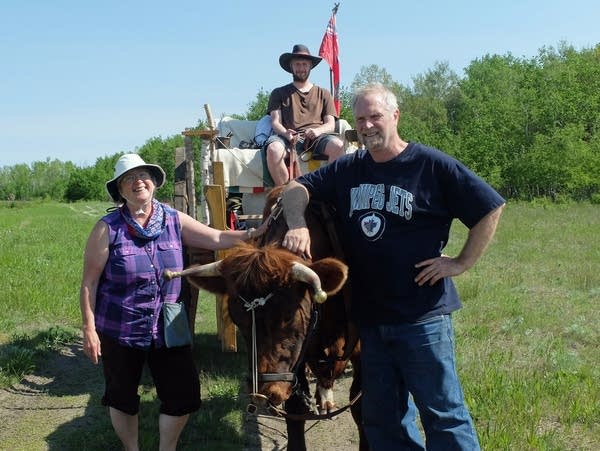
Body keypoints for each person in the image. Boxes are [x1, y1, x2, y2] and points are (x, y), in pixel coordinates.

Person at [279, 83, 505, 450]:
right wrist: (297, 223)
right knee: (383, 419)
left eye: (376, 116)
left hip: (423, 318)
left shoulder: (431, 166)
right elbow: (294, 189)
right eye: (361, 119)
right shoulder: (347, 169)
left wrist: (462, 262)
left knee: (444, 415)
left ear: (395, 116)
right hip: (370, 321)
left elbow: (489, 206)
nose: (368, 125)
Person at [80, 153, 263, 451]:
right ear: (120, 190)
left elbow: (216, 238)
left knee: (183, 396)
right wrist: (89, 328)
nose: (138, 182)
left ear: (153, 183)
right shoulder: (107, 228)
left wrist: (256, 233)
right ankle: (132, 448)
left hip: (168, 327)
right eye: (129, 179)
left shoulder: (173, 219)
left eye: (144, 176)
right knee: (122, 397)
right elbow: (89, 282)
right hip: (120, 328)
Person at [264, 44, 345, 186]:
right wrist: (286, 133)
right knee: (273, 149)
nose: (301, 68)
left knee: (338, 146)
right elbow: (275, 122)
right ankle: (286, 193)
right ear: (291, 66)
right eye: (297, 64)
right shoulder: (278, 93)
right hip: (289, 138)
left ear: (310, 66)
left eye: (304, 64)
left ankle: (327, 191)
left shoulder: (324, 93)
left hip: (316, 138)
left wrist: (317, 131)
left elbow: (330, 124)